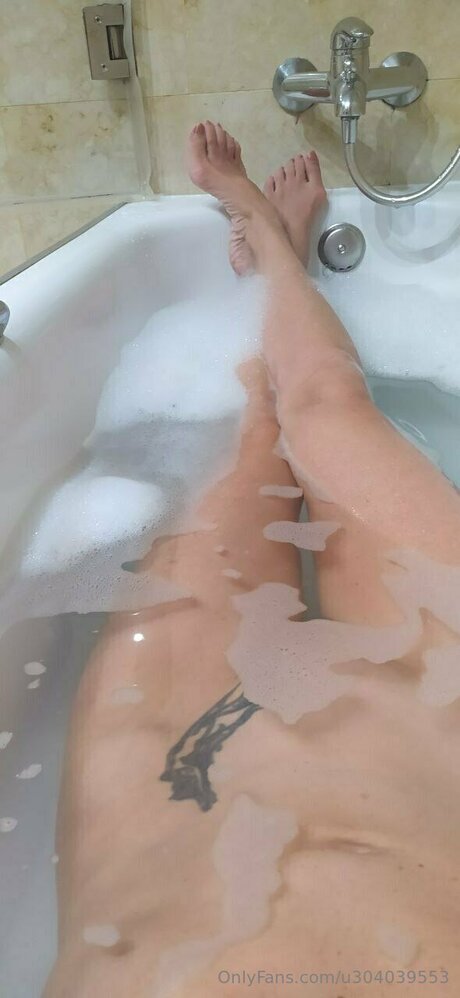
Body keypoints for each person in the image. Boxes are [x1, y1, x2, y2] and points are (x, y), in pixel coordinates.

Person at [44, 123, 460, 997]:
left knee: (253, 427)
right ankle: (275, 256)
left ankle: (270, 266)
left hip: (167, 795)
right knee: (328, 406)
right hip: (436, 751)